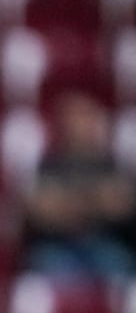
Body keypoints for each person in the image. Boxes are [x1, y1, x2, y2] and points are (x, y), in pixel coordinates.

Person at [19, 93, 136, 281]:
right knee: (54, 268)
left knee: (119, 266)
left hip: (103, 243)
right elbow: (42, 211)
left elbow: (121, 206)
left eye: (89, 118)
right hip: (58, 246)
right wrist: (95, 200)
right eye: (78, 119)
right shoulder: (50, 164)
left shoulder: (109, 164)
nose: (84, 125)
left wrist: (70, 202)